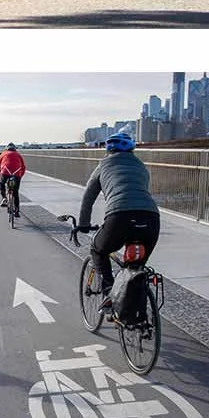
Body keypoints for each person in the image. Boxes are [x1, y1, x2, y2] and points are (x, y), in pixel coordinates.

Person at [77, 132, 162, 309]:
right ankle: (138, 314)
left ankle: (109, 294)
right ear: (132, 150)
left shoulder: (103, 165)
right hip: (151, 218)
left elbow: (88, 197)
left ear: (108, 150)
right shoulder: (141, 166)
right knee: (136, 269)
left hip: (119, 216)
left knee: (98, 249)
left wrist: (83, 224)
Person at [0, 141, 26, 217]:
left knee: (2, 184)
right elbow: (23, 167)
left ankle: (4, 198)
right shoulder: (18, 155)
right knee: (15, 193)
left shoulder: (3, 154)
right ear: (15, 149)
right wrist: (20, 176)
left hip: (5, 172)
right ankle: (17, 211)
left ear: (7, 148)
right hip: (16, 174)